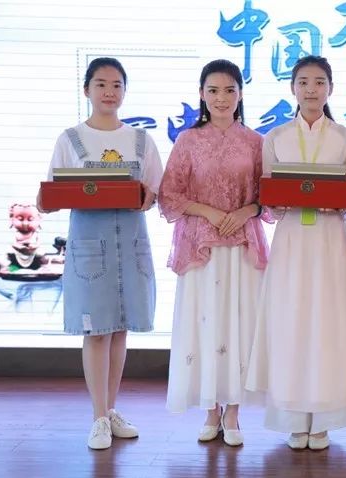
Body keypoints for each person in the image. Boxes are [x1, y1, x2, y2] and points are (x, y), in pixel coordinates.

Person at [36, 57, 163, 450]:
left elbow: (156, 193)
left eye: (117, 85)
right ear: (87, 90)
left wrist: (147, 198)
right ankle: (97, 418)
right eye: (101, 84)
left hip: (130, 243)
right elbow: (47, 197)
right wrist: (47, 198)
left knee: (120, 328)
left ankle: (110, 410)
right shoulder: (70, 139)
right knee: (96, 332)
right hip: (89, 248)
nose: (109, 92)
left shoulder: (141, 140)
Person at [245, 55, 346, 451]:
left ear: (330, 88)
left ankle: (325, 419)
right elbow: (268, 193)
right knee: (291, 322)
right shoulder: (275, 137)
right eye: (303, 82)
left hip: (331, 239)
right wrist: (276, 203)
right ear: (292, 88)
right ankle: (293, 418)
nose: (311, 89)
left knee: (329, 324)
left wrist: (340, 202)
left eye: (319, 82)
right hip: (291, 239)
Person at [159, 59, 269, 446]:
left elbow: (270, 197)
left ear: (240, 94)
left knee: (239, 324)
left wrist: (244, 211)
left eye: (229, 90)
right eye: (213, 91)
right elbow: (169, 195)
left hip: (242, 244)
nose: (222, 98)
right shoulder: (188, 140)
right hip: (200, 246)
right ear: (202, 95)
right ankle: (210, 409)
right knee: (204, 323)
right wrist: (208, 211)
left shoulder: (256, 141)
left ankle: (233, 411)